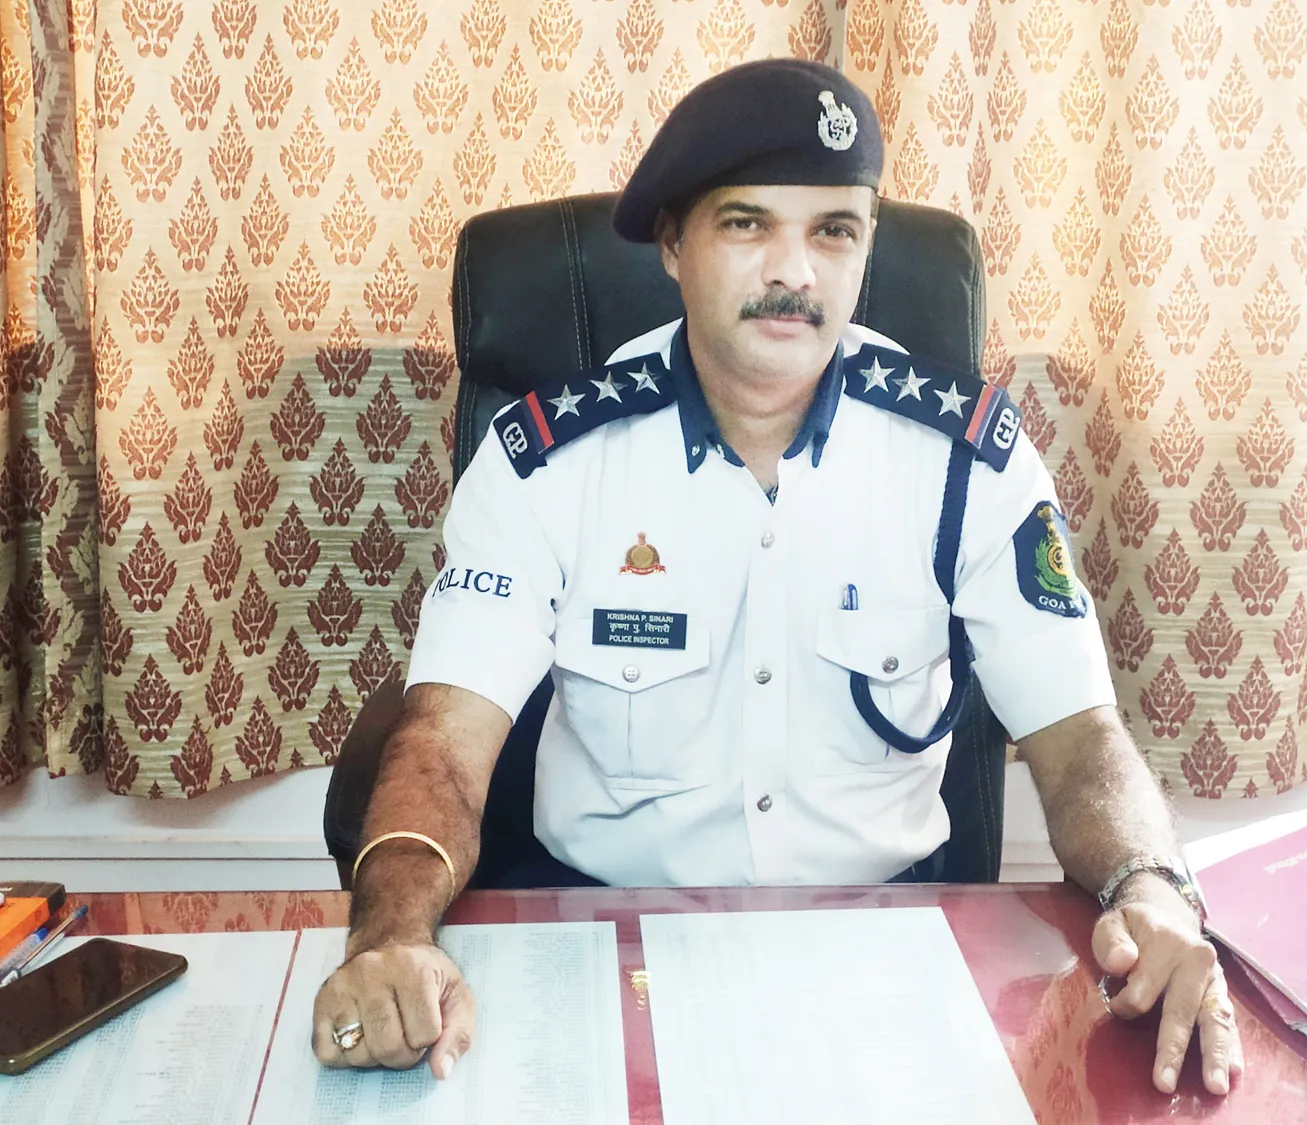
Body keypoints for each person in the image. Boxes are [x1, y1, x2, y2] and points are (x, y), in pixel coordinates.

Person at [311, 58, 1243, 1099]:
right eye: (748, 224)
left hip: (886, 965)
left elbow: (1082, 743)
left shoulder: (967, 461)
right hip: (602, 948)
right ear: (674, 243)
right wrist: (391, 936)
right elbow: (443, 739)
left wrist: (1153, 887)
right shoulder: (548, 461)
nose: (794, 271)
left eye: (833, 231)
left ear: (866, 247)